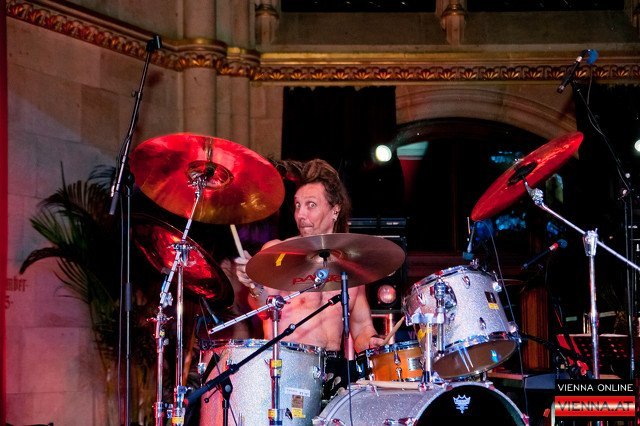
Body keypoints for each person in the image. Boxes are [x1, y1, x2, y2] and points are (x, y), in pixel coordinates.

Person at [234, 158, 385, 354]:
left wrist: (372, 342)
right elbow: (263, 309)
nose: (300, 214)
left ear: (335, 210)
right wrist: (255, 286)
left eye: (311, 205)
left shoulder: (350, 264)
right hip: (288, 362)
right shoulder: (279, 252)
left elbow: (362, 327)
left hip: (331, 366)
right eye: (298, 205)